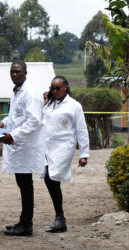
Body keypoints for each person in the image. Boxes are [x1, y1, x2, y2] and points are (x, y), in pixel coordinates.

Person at [0, 60, 45, 236]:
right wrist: (4, 122)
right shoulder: (17, 92)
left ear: (25, 72)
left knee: (25, 184)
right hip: (19, 146)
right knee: (22, 183)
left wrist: (13, 135)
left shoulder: (30, 93)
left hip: (26, 146)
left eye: (18, 71)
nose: (14, 74)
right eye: (12, 72)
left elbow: (33, 121)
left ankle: (26, 225)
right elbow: (14, 116)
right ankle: (23, 221)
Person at [41, 75, 89, 233]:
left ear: (65, 87)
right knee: (51, 179)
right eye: (52, 88)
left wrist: (84, 154)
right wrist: (45, 104)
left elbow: (81, 130)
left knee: (51, 177)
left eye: (58, 88)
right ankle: (60, 219)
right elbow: (42, 122)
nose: (55, 91)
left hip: (64, 146)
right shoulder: (49, 105)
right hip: (48, 146)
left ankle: (60, 217)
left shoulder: (74, 106)